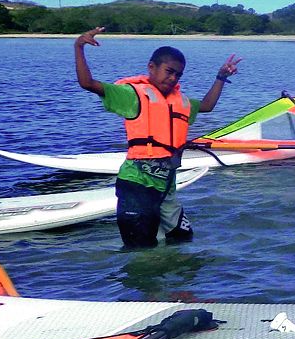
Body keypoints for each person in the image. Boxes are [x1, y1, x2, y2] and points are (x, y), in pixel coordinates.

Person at [73, 27, 241, 248]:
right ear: (151, 67)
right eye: (168, 71)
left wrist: (221, 77)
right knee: (142, 251)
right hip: (137, 186)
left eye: (178, 75)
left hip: (166, 188)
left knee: (182, 239)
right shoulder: (131, 95)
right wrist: (79, 46)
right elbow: (87, 83)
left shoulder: (180, 102)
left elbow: (207, 106)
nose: (172, 78)